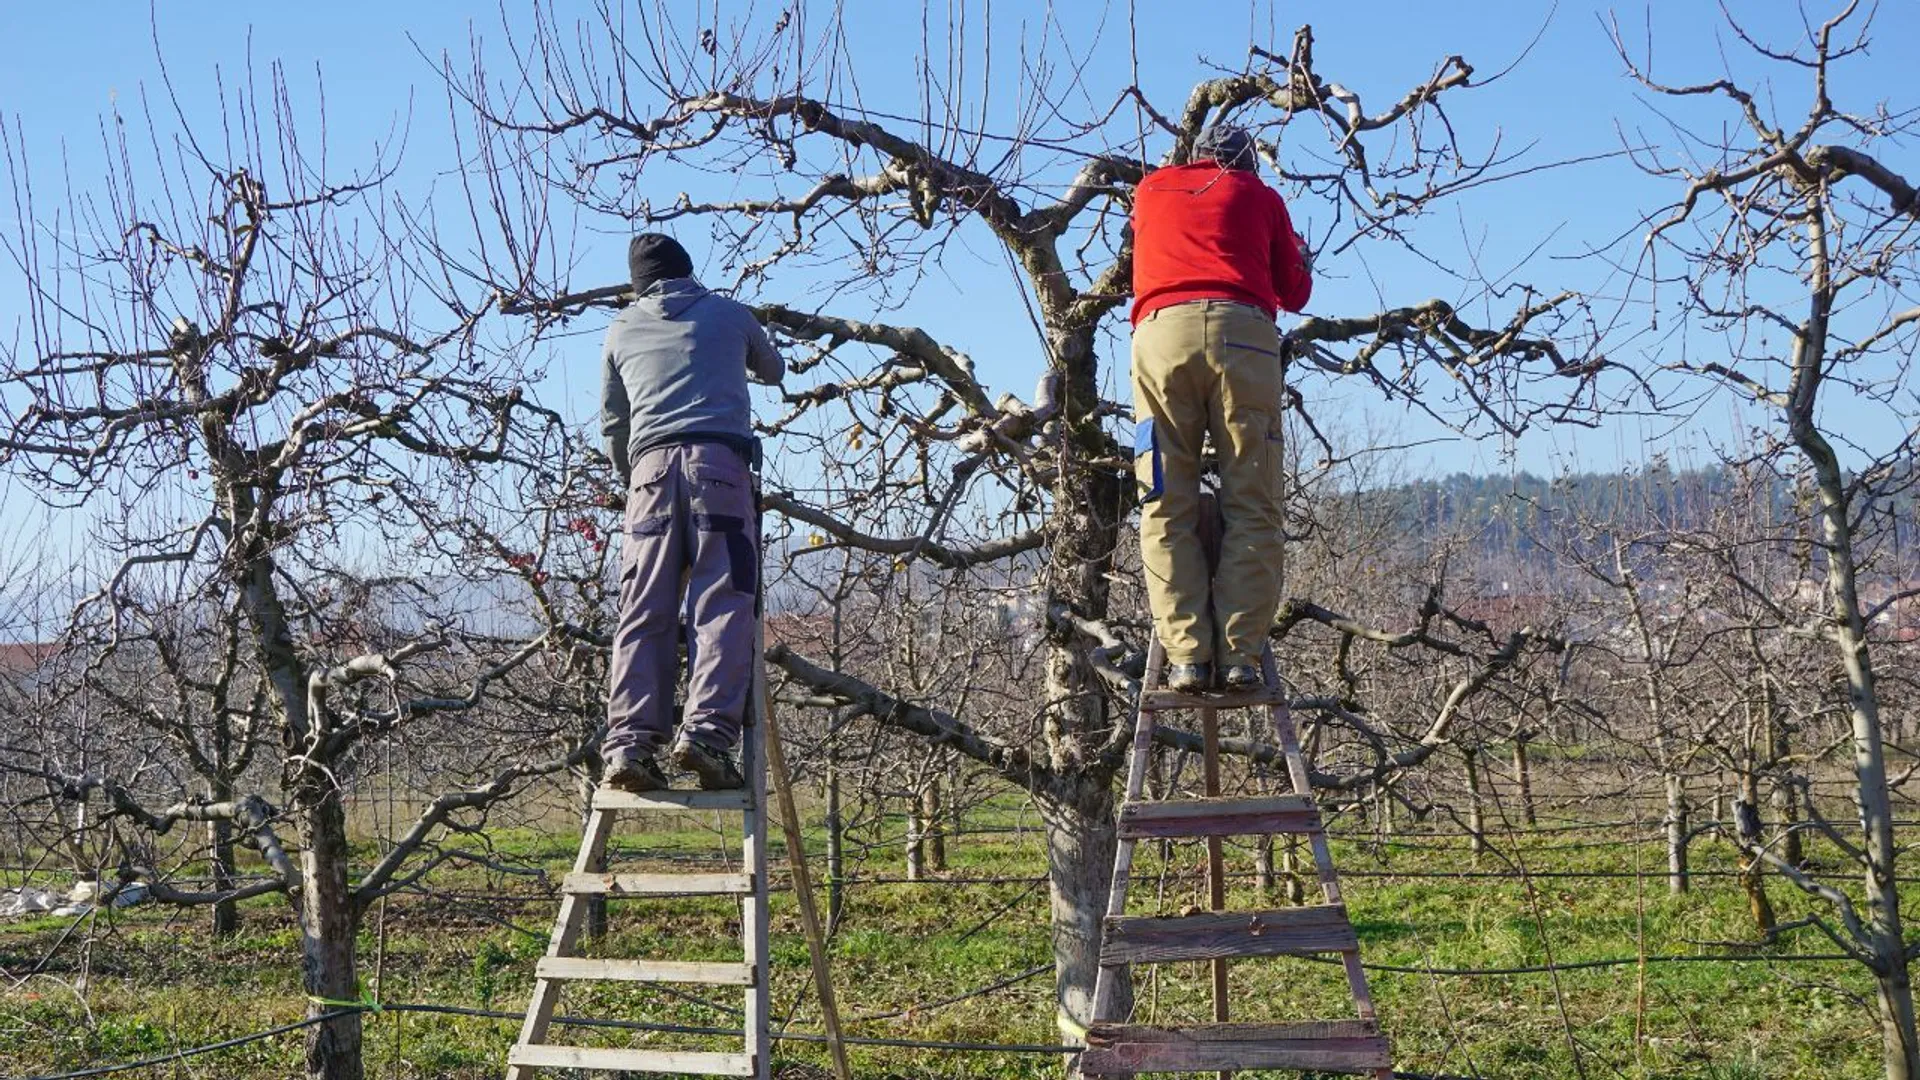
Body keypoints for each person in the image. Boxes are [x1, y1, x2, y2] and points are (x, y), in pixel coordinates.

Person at [1129, 124, 1312, 694]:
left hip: (1159, 341)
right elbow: (1296, 292)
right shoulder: (1261, 197)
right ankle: (1238, 656)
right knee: (1252, 499)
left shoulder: (1149, 190)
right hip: (1243, 337)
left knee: (1162, 498)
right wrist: (1299, 253)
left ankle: (1185, 656)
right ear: (1247, 164)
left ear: (1194, 155)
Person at [601, 233, 785, 791]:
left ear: (638, 286)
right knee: (722, 601)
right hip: (719, 471)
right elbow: (772, 369)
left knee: (643, 607)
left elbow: (614, 426)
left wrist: (630, 479)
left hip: (648, 477)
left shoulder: (620, 328)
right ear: (689, 271)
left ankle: (630, 748)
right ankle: (705, 737)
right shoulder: (729, 313)